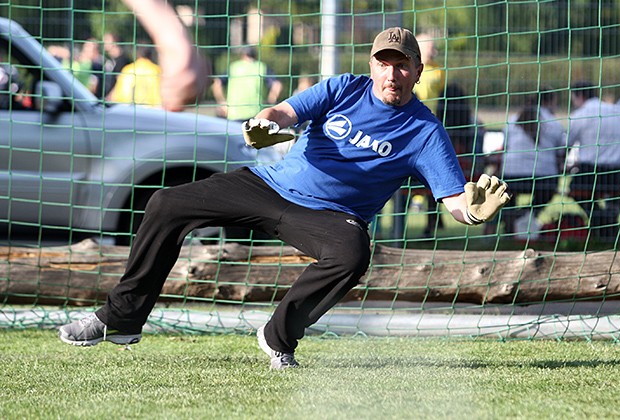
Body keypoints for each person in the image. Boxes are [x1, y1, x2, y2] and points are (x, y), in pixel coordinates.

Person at [58, 26, 511, 369]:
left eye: (403, 64)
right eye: (384, 63)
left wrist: (473, 213)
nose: (392, 73)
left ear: (418, 70)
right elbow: (282, 111)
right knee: (165, 204)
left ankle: (278, 338)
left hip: (330, 215)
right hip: (269, 186)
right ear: (372, 65)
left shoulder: (426, 131)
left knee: (352, 253)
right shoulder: (343, 88)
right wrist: (265, 124)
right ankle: (121, 318)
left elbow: (455, 201)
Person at [420, 83, 486, 236]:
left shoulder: (436, 125)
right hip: (469, 173)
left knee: (431, 179)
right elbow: (478, 154)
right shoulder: (475, 124)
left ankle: (431, 222)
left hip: (440, 174)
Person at [498, 89, 567, 235]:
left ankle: (512, 221)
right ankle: (525, 215)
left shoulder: (512, 120)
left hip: (511, 176)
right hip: (543, 179)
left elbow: (505, 147)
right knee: (549, 189)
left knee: (508, 195)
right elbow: (561, 152)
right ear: (549, 102)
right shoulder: (554, 123)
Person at [567, 81, 620, 242]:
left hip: (592, 174)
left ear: (579, 96)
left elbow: (566, 144)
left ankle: (601, 222)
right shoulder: (617, 111)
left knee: (574, 189)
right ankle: (609, 222)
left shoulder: (580, 115)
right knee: (617, 194)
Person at [211, 46, 283, 121]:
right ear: (256, 55)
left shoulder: (233, 67)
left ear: (242, 55)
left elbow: (217, 83)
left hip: (234, 114)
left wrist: (222, 102)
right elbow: (277, 85)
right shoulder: (262, 67)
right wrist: (270, 102)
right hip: (256, 114)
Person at [414, 33, 445, 116]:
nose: (435, 52)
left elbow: (442, 92)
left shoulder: (439, 70)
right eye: (431, 48)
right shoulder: (409, 69)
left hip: (432, 115)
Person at [102, 32, 132, 98]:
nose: (104, 42)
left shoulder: (122, 61)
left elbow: (120, 80)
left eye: (107, 40)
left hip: (115, 99)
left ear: (115, 42)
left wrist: (109, 97)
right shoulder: (109, 60)